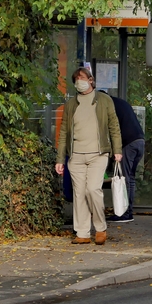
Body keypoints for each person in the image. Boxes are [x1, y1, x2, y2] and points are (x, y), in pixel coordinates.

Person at [55, 67, 122, 245]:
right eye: (76, 79)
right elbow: (63, 133)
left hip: (98, 155)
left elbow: (114, 126)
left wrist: (117, 150)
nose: (79, 82)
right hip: (76, 156)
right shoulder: (70, 104)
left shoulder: (104, 100)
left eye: (82, 78)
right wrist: (60, 159)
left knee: (93, 190)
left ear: (91, 80)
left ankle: (100, 228)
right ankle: (82, 233)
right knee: (79, 193)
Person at [107, 94, 144, 223]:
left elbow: (112, 129)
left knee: (125, 178)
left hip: (128, 143)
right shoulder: (121, 103)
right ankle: (128, 211)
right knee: (130, 178)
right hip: (139, 141)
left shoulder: (109, 105)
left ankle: (124, 213)